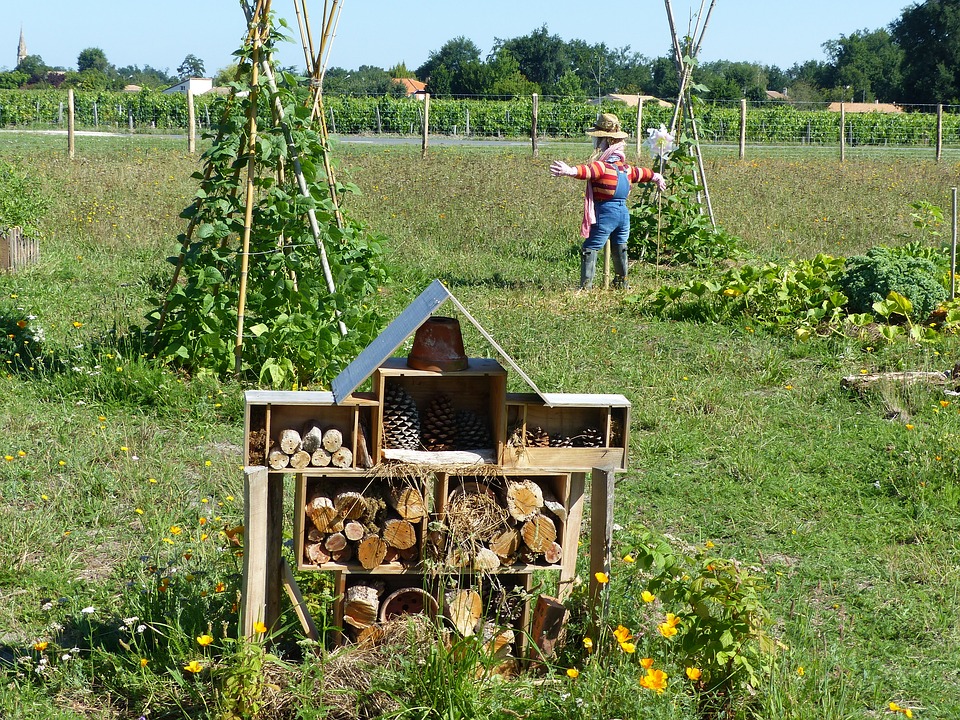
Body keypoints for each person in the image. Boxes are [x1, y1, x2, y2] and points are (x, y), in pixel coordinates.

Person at [550, 113, 665, 289]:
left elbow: (587, 171)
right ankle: (622, 284)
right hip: (623, 214)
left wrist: (570, 170)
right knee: (621, 245)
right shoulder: (625, 168)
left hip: (605, 213)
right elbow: (641, 173)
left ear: (604, 141)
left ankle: (586, 286)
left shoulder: (602, 166)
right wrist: (656, 177)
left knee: (592, 246)